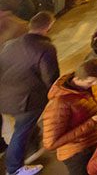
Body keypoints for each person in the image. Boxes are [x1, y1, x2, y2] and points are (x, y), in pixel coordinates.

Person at [0, 10, 59, 175]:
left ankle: (21, 154)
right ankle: (14, 168)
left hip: (5, 97)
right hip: (27, 101)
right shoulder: (45, 48)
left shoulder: (11, 44)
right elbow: (51, 77)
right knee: (21, 132)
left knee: (20, 130)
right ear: (48, 27)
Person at [40, 58, 97, 175]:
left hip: (94, 143)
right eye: (90, 82)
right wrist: (92, 122)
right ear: (77, 79)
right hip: (77, 154)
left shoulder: (88, 87)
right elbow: (50, 143)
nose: (95, 84)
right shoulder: (59, 103)